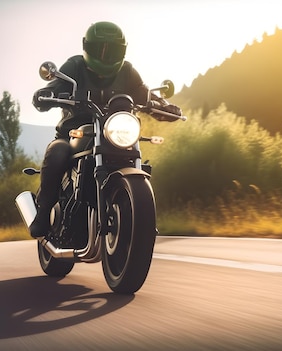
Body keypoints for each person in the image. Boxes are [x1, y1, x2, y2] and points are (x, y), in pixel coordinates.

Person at [29, 21, 181, 238]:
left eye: (113, 50)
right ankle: (43, 215)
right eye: (100, 49)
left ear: (123, 50)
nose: (106, 56)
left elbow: (144, 93)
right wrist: (45, 96)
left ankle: (137, 217)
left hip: (115, 134)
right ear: (87, 47)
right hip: (74, 134)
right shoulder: (74, 67)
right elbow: (52, 89)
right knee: (57, 152)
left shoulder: (128, 71)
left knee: (133, 152)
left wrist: (164, 107)